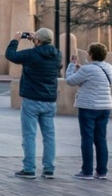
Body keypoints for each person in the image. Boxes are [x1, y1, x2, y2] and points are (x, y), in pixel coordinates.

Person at [6, 28, 62, 179]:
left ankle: (29, 168)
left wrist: (16, 39)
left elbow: (11, 55)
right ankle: (49, 169)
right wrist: (37, 41)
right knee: (49, 136)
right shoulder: (57, 55)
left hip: (32, 99)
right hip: (49, 101)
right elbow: (43, 55)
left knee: (29, 135)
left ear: (38, 40)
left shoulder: (32, 55)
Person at [64, 43, 111, 180]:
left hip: (88, 108)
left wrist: (72, 66)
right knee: (101, 139)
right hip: (105, 107)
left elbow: (70, 81)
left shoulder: (88, 69)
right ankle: (102, 171)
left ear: (91, 54)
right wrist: (81, 69)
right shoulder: (108, 67)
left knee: (87, 139)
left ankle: (87, 171)